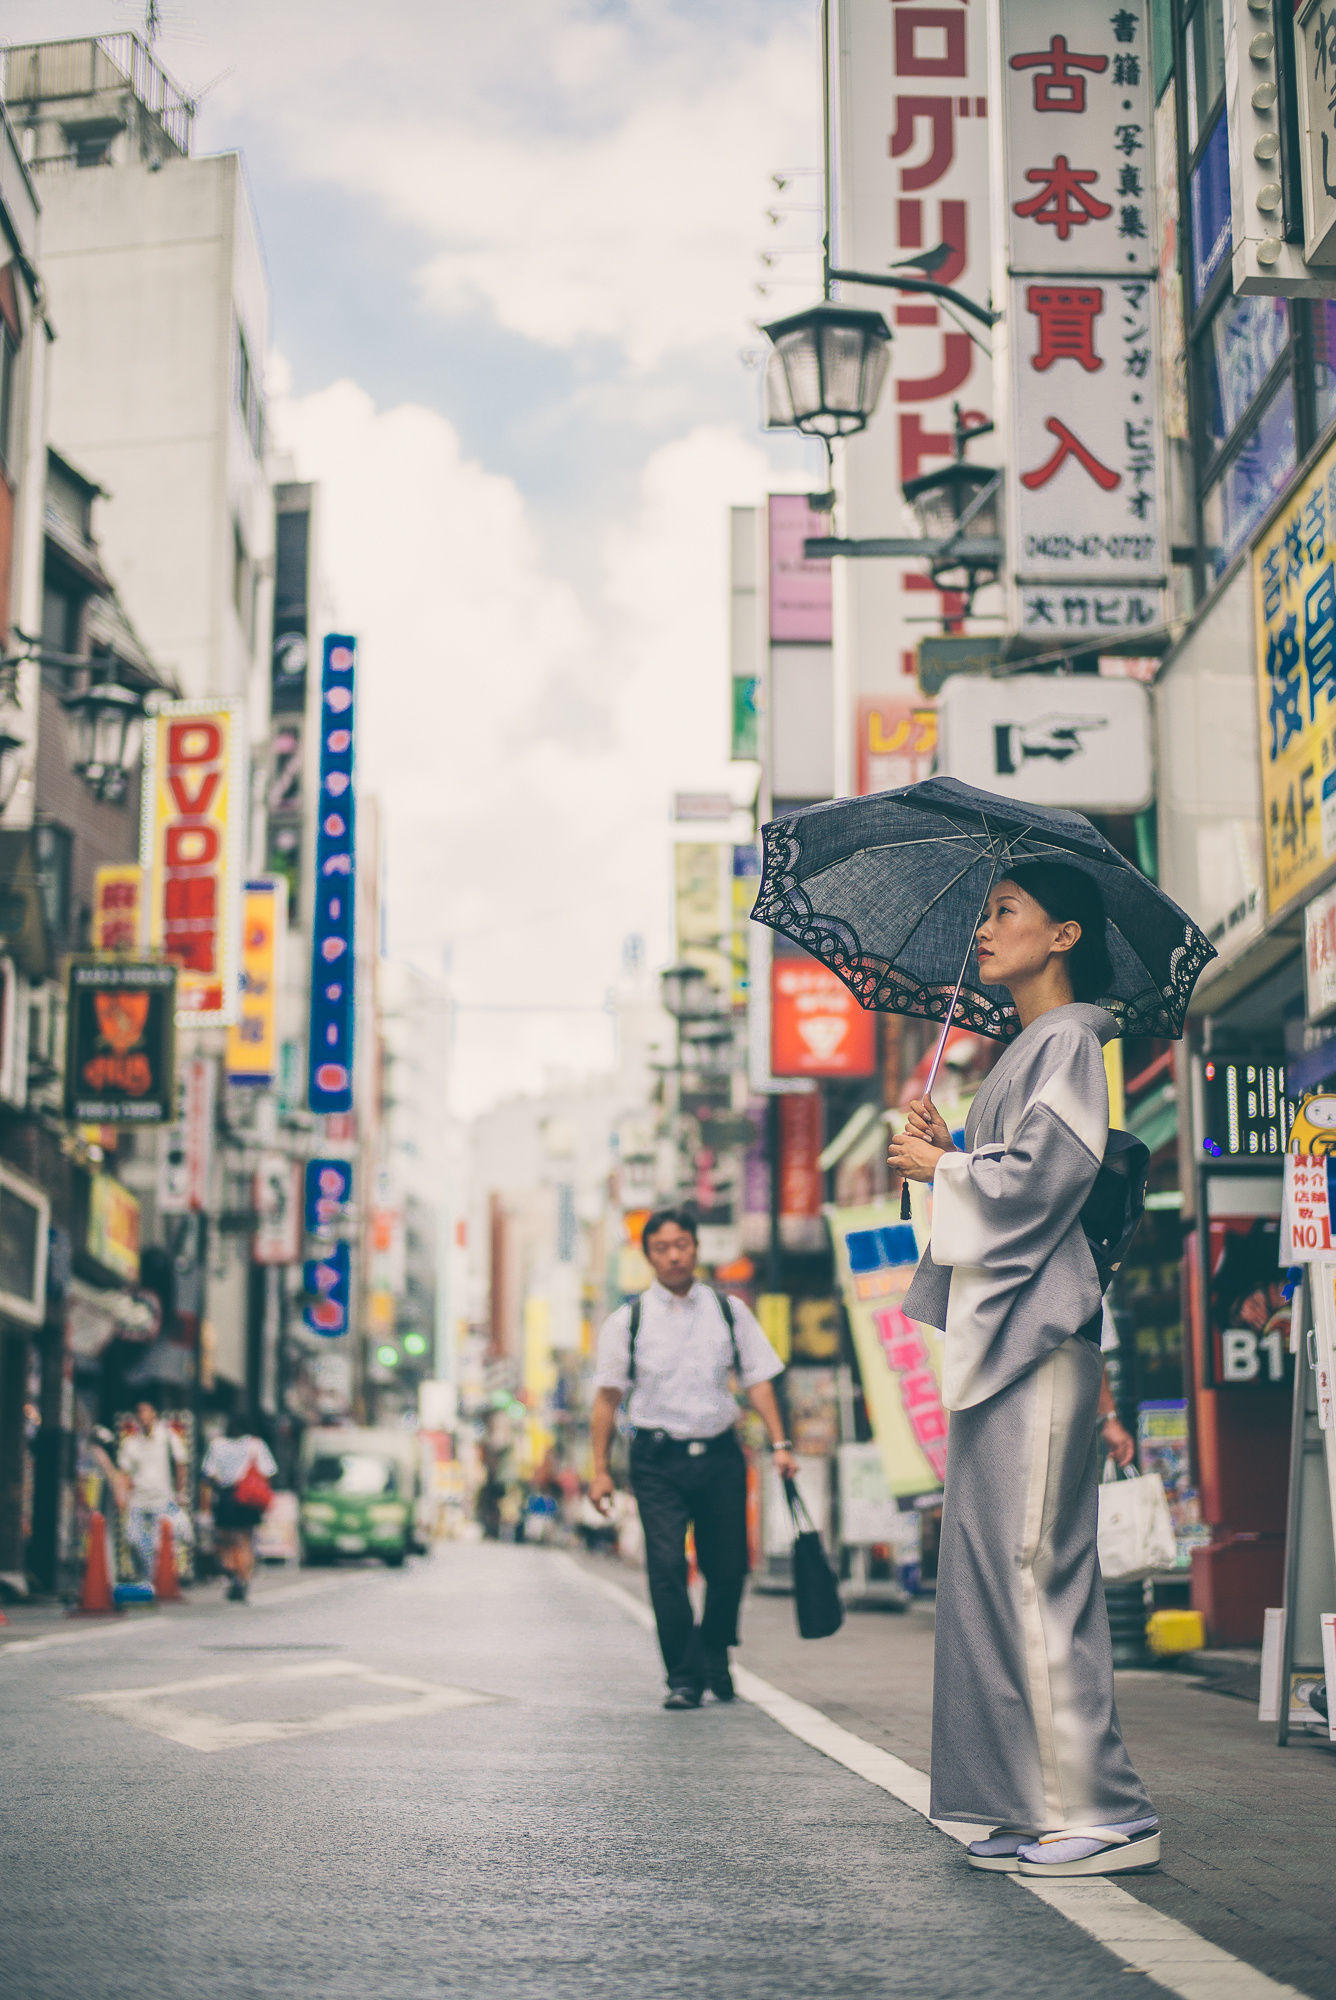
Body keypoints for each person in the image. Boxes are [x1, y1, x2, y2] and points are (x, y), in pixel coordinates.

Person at [889, 862, 1159, 1880]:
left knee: (1033, 1569)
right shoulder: (1033, 1048)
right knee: (996, 1573)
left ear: (1063, 935)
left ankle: (1103, 1807)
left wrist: (945, 1172)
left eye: (1005, 909)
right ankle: (1025, 1798)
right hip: (1015, 1342)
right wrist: (954, 1148)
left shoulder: (1070, 1041)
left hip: (1037, 1344)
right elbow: (1022, 1174)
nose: (983, 927)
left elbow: (1047, 1181)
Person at [589, 1206, 798, 1709]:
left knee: (727, 1569)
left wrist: (781, 1444)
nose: (674, 1255)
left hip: (721, 1455)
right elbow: (606, 1400)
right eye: (661, 1248)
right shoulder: (628, 1322)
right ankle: (684, 1677)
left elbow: (759, 1381)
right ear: (648, 1257)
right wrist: (598, 1471)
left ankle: (714, 1652)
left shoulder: (729, 1311)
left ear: (697, 1248)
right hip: (657, 1461)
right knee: (665, 1566)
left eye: (682, 1244)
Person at [200, 1414, 277, 1602]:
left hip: (225, 1497)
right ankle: (243, 1578)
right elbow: (268, 1473)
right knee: (245, 1540)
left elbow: (207, 1476)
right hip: (247, 1498)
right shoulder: (255, 1445)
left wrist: (205, 1506)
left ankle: (232, 1573)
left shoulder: (216, 1445)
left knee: (224, 1539)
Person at [116, 1395, 188, 1581]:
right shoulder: (131, 1442)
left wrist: (180, 1492)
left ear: (154, 1413)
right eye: (139, 1412)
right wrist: (122, 1496)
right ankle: (148, 1577)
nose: (143, 1415)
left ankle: (151, 1581)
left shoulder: (167, 1436)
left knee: (159, 1544)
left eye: (146, 1410)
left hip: (161, 1499)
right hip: (138, 1499)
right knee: (133, 1539)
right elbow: (124, 1472)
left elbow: (181, 1462)